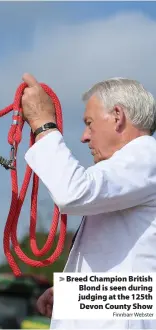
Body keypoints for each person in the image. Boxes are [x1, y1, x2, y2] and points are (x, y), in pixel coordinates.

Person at [20, 73, 156, 329]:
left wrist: (43, 124)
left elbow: (73, 192)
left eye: (89, 123)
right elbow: (141, 290)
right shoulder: (138, 167)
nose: (84, 136)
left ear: (118, 116)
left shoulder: (146, 155)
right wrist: (75, 296)